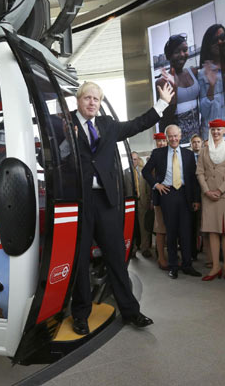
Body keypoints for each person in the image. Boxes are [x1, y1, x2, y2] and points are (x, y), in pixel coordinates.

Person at [70, 81, 174, 335]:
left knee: (116, 258)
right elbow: (45, 155)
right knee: (80, 262)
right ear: (78, 100)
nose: (92, 102)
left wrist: (162, 104)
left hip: (106, 201)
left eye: (96, 99)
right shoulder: (62, 123)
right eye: (88, 98)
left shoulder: (106, 125)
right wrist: (67, 143)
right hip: (79, 203)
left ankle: (131, 311)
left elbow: (137, 124)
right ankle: (80, 315)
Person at [142, 125, 202, 279]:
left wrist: (196, 199)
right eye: (170, 136)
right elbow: (145, 171)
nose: (174, 139)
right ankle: (173, 266)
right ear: (166, 138)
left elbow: (194, 180)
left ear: (180, 135)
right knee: (171, 232)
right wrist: (156, 185)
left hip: (185, 194)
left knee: (186, 231)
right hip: (167, 194)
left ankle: (187, 265)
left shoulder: (188, 155)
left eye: (176, 136)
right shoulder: (158, 153)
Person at [196, 119, 225, 281]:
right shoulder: (204, 151)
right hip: (208, 196)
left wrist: (220, 190)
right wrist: (207, 191)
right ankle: (215, 267)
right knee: (212, 231)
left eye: (219, 130)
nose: (216, 132)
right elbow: (199, 172)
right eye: (213, 130)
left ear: (224, 131)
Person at [155, 34, 202, 143]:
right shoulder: (162, 82)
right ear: (169, 56)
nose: (182, 54)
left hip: (197, 137)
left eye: (185, 50)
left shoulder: (193, 72)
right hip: (178, 140)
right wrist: (174, 88)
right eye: (177, 52)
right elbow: (166, 118)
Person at [151, 132, 171, 270]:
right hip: (159, 196)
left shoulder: (172, 153)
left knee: (172, 229)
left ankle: (171, 255)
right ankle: (161, 257)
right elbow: (150, 178)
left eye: (164, 141)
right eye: (159, 141)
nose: (162, 143)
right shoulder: (154, 155)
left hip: (173, 197)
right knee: (160, 229)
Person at [132, 151, 153, 258]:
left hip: (143, 202)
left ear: (138, 160)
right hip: (131, 204)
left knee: (144, 227)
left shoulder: (144, 172)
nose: (133, 161)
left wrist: (149, 201)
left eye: (135, 159)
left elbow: (148, 188)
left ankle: (145, 248)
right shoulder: (126, 172)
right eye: (131, 159)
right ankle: (133, 249)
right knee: (132, 228)